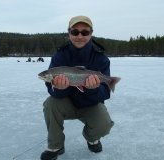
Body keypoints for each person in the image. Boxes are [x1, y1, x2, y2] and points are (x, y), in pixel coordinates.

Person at [40, 15, 115, 160]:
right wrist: (59, 87)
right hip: (67, 103)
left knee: (104, 125)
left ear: (91, 33)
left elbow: (105, 94)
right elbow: (51, 91)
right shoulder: (60, 55)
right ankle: (56, 145)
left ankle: (91, 138)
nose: (79, 36)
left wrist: (92, 89)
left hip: (90, 104)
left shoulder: (101, 58)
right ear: (69, 33)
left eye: (84, 32)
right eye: (75, 32)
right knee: (50, 103)